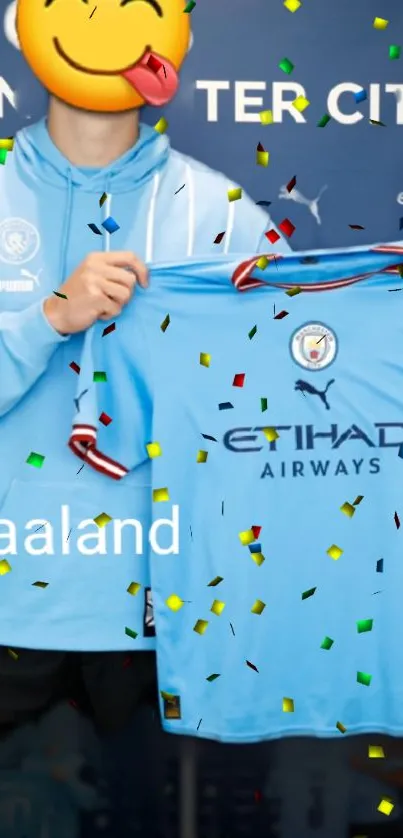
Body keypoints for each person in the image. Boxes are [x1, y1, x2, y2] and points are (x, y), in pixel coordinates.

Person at [0, 0, 291, 745]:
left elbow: (283, 415)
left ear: (177, 36)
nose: (105, 19)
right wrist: (48, 320)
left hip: (169, 623)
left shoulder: (223, 215)